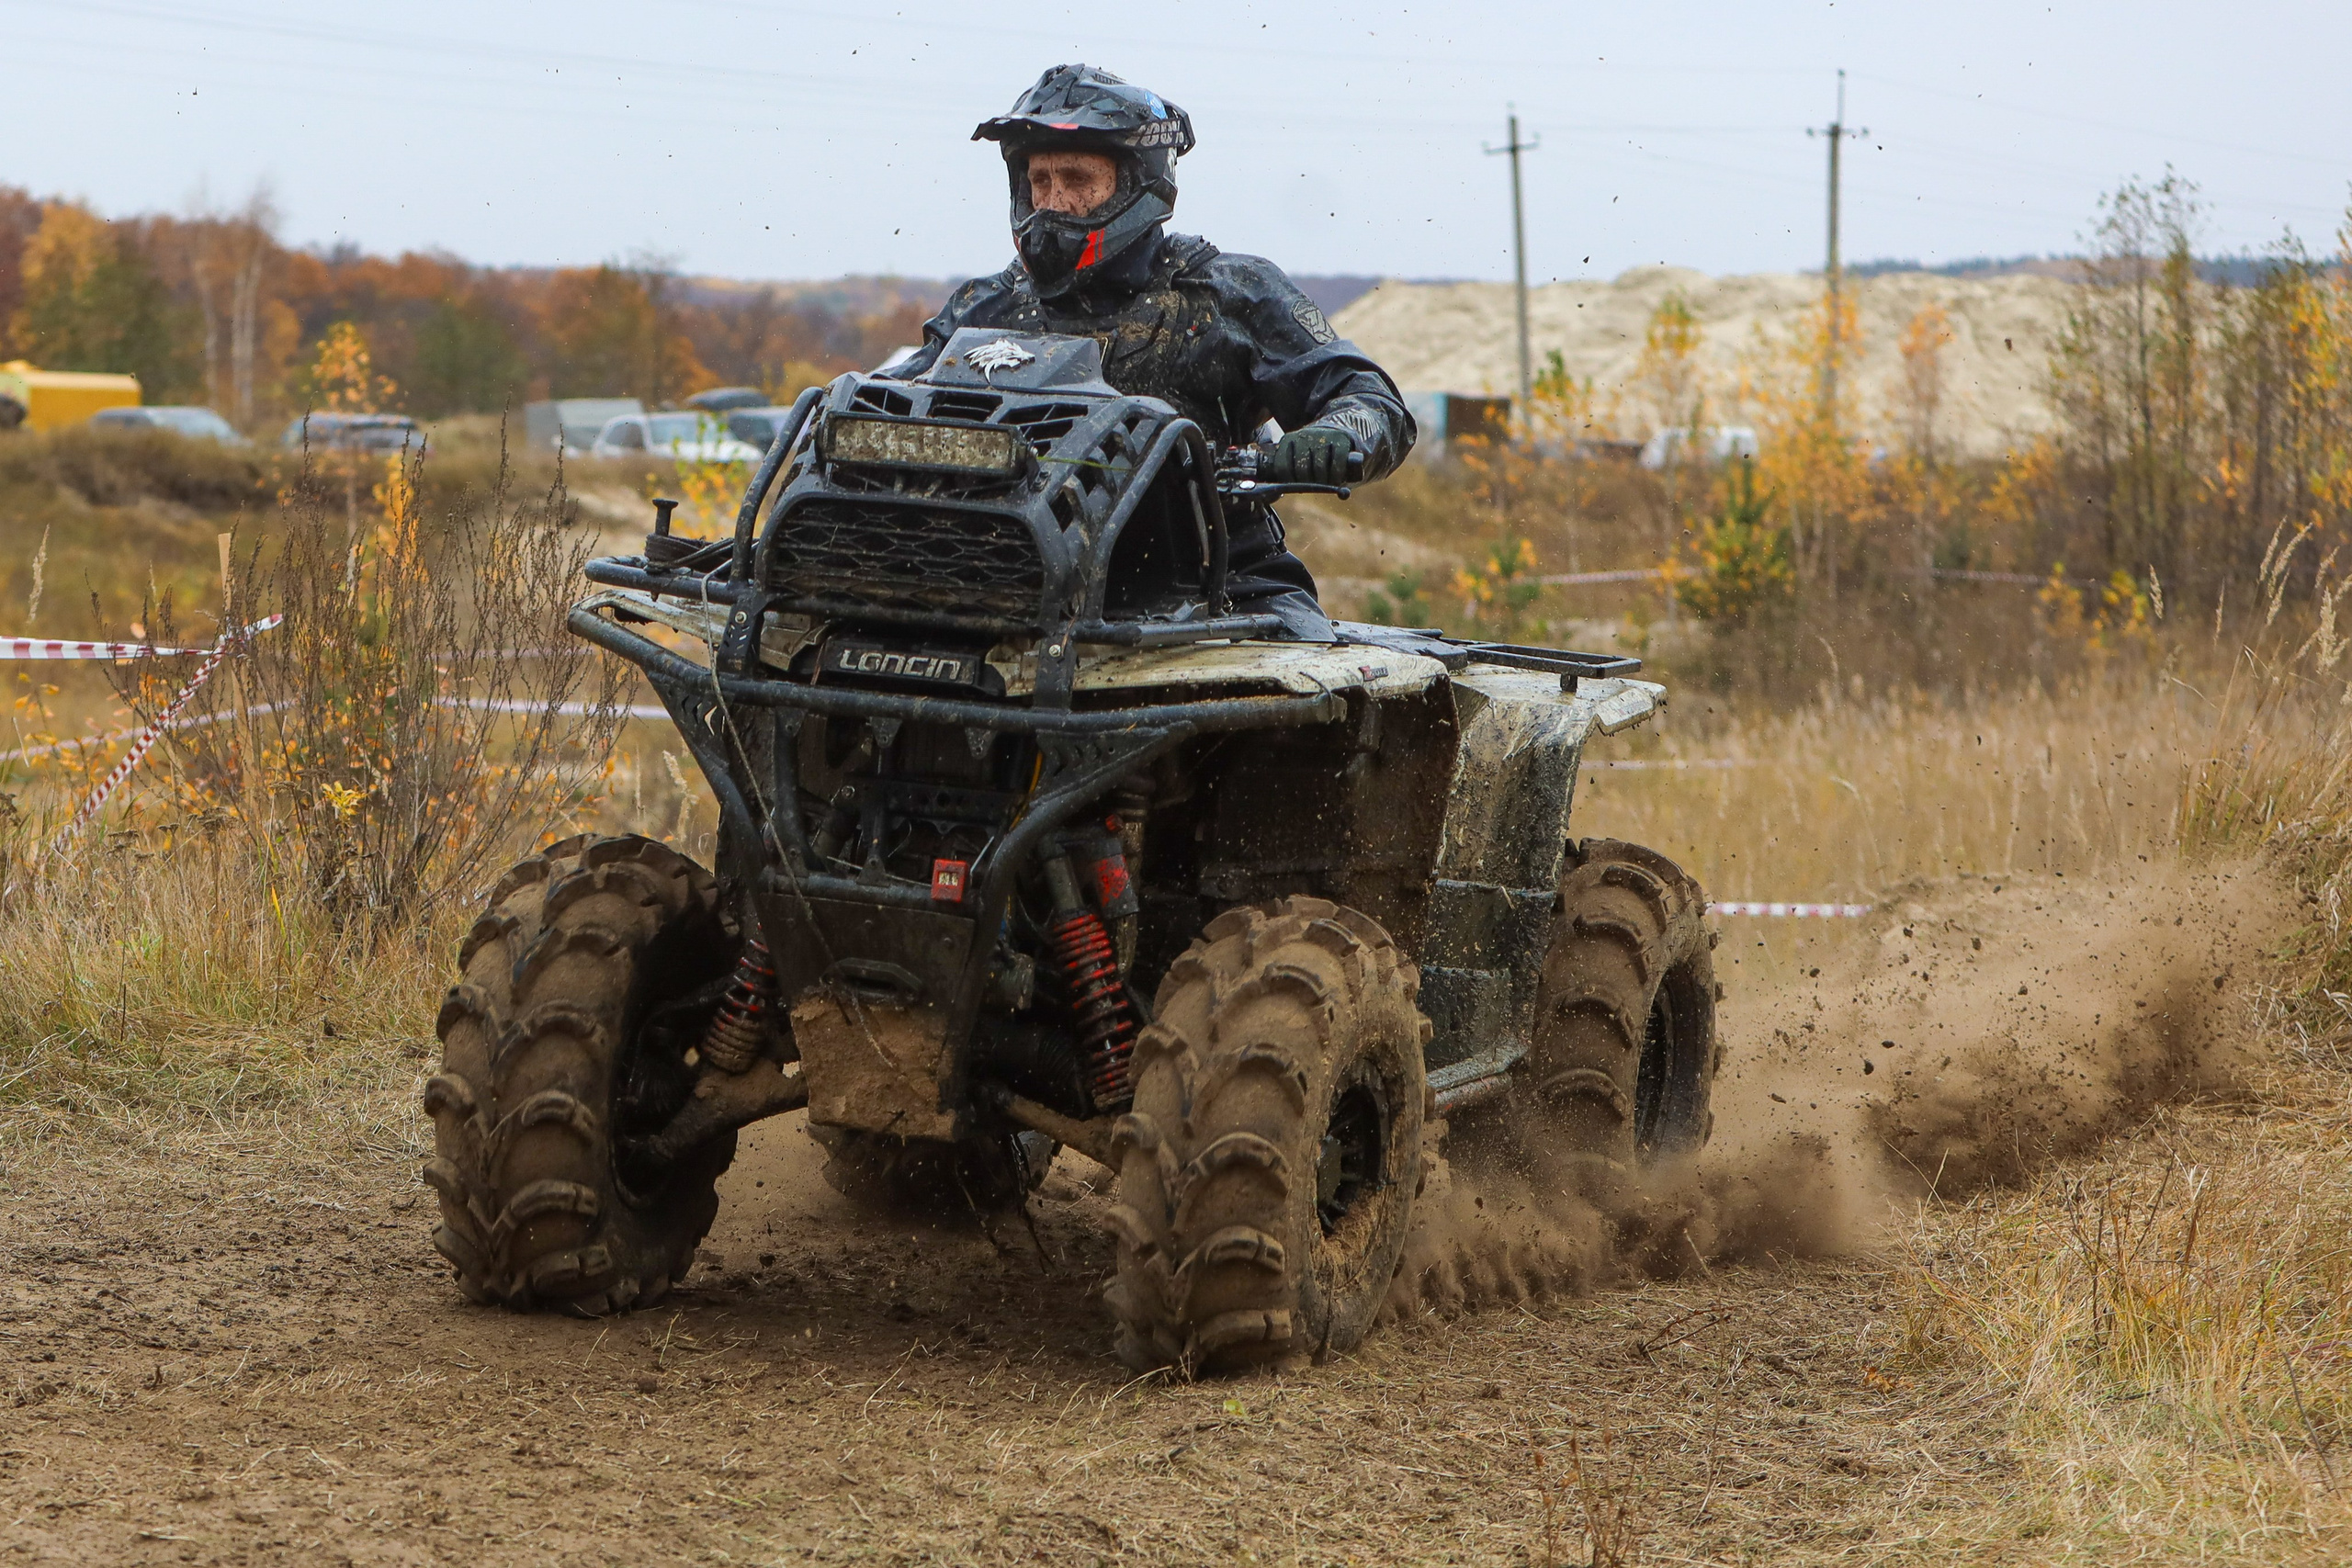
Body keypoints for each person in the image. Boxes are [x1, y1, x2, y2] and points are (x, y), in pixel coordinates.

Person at [885, 63, 1416, 640]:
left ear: (1138, 181)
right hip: (1011, 582)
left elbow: (1369, 398)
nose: (1053, 202)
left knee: (1306, 689)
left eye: (1077, 179)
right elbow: (889, 403)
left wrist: (1336, 436)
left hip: (1218, 587)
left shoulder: (1226, 294)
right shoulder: (984, 307)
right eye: (1040, 181)